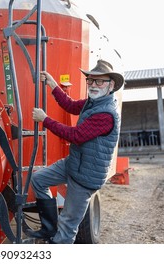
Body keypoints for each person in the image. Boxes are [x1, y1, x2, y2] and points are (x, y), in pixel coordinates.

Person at [28, 59, 124, 244]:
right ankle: (48, 228)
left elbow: (76, 135)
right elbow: (71, 106)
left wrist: (45, 120)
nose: (93, 85)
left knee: (68, 226)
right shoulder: (93, 102)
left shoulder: (106, 114)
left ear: (111, 85)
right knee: (38, 179)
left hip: (86, 176)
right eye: (90, 80)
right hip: (75, 163)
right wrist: (53, 84)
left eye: (99, 81)